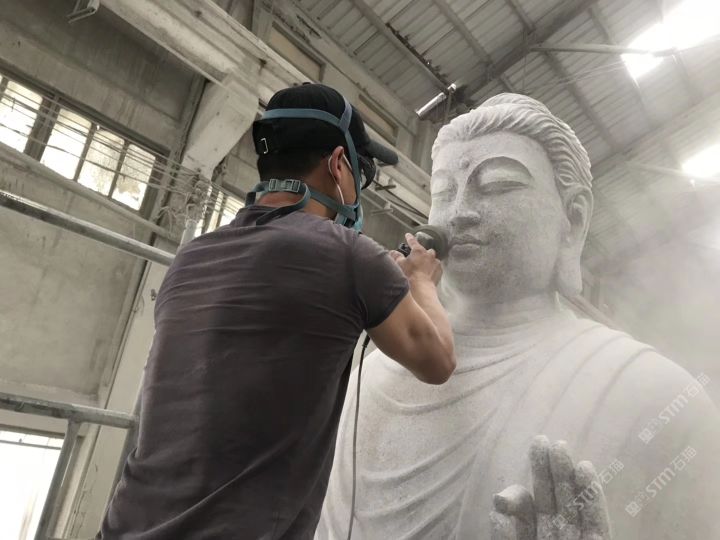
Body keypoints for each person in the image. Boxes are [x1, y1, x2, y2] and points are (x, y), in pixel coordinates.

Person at [317, 93, 720, 539]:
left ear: (573, 219)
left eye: (498, 185)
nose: (460, 212)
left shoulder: (655, 395)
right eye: (444, 191)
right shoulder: (372, 374)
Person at [99, 83, 455, 539]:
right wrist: (420, 281)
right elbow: (438, 361)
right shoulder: (350, 256)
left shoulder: (189, 258)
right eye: (361, 174)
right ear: (338, 164)